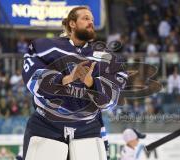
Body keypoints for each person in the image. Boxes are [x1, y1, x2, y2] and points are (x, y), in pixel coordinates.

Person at [21, 6, 127, 160]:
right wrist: (67, 79)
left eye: (92, 19)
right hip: (46, 126)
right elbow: (33, 80)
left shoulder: (106, 57)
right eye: (85, 18)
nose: (91, 22)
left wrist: (91, 83)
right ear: (72, 23)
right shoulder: (44, 47)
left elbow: (111, 100)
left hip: (88, 128)